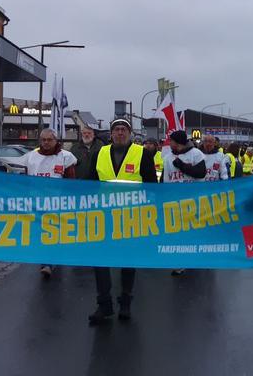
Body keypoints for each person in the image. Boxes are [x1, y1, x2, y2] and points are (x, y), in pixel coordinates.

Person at [88, 118, 157, 323]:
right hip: (104, 216)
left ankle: (125, 301)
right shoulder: (99, 153)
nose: (120, 133)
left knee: (128, 261)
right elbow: (89, 183)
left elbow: (152, 185)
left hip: (131, 217)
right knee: (100, 261)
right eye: (116, 129)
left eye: (123, 129)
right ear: (111, 133)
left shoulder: (141, 153)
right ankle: (104, 304)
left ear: (130, 133)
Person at [20, 128, 78, 278]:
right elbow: (25, 180)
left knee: (54, 233)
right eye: (43, 140)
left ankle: (51, 260)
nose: (46, 143)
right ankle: (46, 262)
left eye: (49, 140)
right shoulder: (30, 157)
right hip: (37, 204)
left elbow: (71, 181)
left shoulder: (65, 157)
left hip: (57, 204)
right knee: (41, 234)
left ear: (56, 140)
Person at [163, 130, 207, 275]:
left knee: (192, 231)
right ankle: (180, 262)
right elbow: (166, 178)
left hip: (193, 200)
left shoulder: (196, 154)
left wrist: (182, 165)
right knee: (178, 232)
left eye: (172, 141)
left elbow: (201, 173)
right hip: (175, 201)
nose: (170, 143)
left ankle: (195, 255)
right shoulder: (168, 157)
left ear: (179, 142)